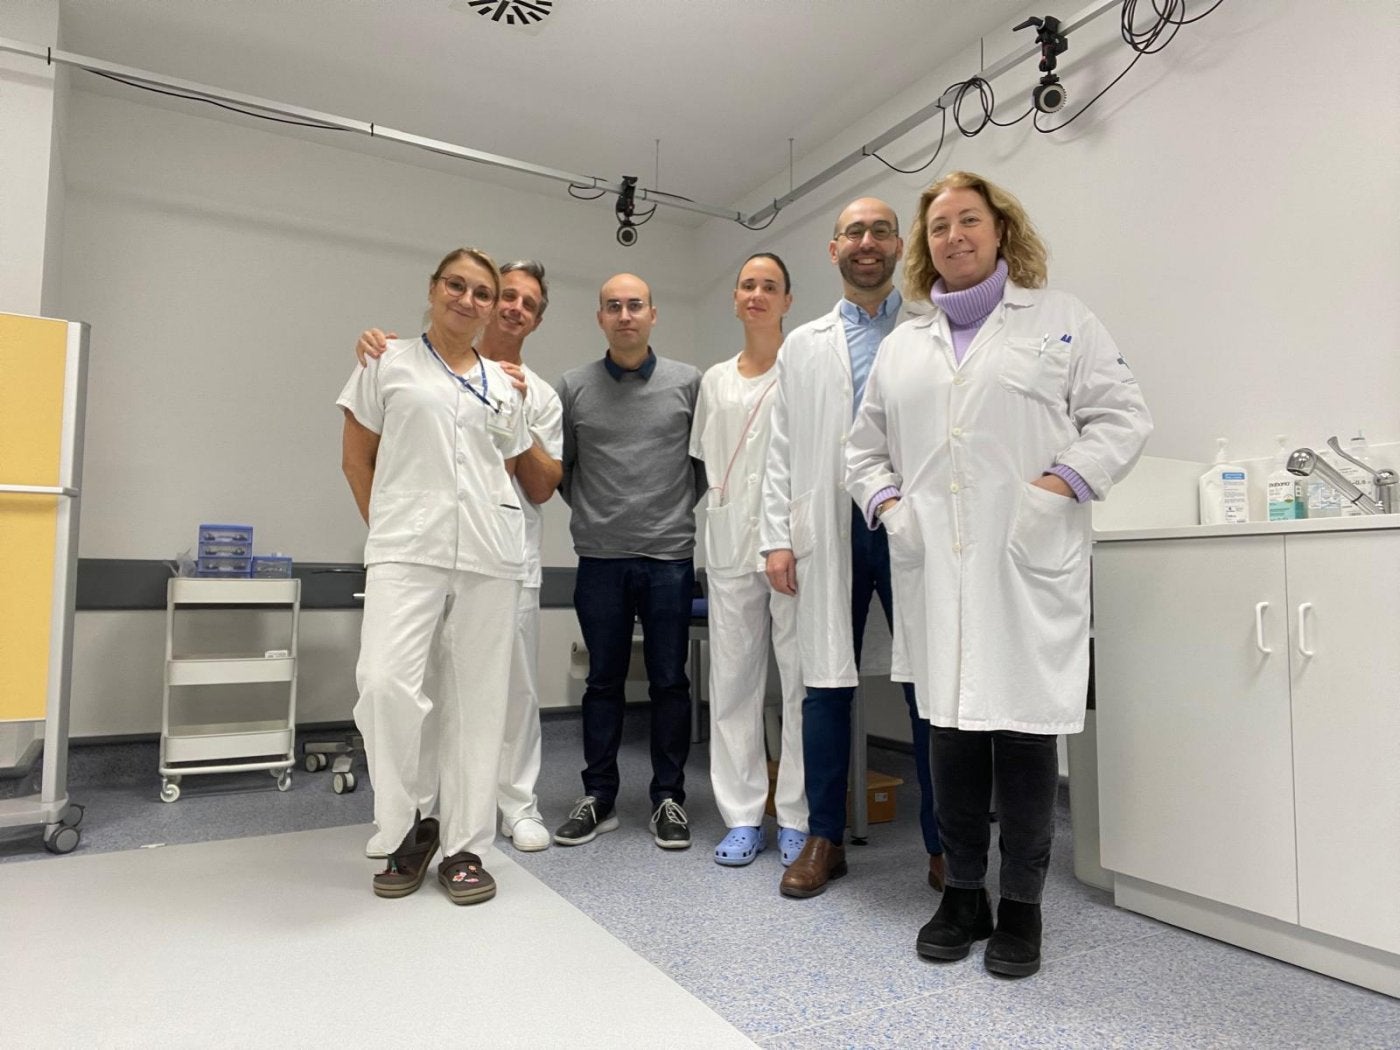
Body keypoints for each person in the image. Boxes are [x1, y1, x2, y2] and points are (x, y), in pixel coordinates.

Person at [845, 171, 1152, 976]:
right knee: (949, 733)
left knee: (1021, 738)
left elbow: (1123, 416)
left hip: (1025, 562)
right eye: (939, 225)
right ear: (927, 246)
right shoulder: (905, 344)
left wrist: (1060, 488)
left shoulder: (1060, 320)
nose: (953, 236)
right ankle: (963, 894)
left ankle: (1022, 907)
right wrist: (891, 507)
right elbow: (862, 448)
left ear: (1000, 230)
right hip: (936, 567)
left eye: (969, 220)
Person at [760, 198, 944, 899]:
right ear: (833, 248)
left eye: (879, 232)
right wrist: (776, 538)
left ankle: (942, 842)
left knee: (930, 683)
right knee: (823, 685)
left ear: (899, 246)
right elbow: (781, 448)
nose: (866, 243)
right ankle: (824, 837)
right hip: (828, 528)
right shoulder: (802, 345)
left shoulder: (929, 329)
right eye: (853, 233)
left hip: (910, 525)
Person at [338, 247, 530, 904]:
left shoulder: (504, 383)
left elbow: (508, 461)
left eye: (482, 293)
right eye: (457, 285)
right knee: (385, 684)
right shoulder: (384, 360)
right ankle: (405, 825)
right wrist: (388, 530)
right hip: (404, 551)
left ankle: (466, 846)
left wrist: (520, 399)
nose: (468, 300)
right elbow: (356, 459)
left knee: (477, 704)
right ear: (432, 288)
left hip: (487, 552)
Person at [553, 273, 705, 850]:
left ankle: (669, 798)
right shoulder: (573, 386)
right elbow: (563, 470)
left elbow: (703, 466)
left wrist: (663, 515)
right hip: (600, 558)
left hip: (669, 556)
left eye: (635, 305)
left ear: (653, 313)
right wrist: (600, 515)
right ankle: (599, 797)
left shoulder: (688, 383)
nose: (625, 315)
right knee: (603, 682)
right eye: (613, 306)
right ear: (600, 318)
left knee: (670, 681)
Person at [690, 253, 807, 868]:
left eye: (770, 286)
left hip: (792, 549)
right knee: (733, 684)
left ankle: (795, 814)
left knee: (797, 684)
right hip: (732, 547)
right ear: (735, 300)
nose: (757, 294)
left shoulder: (804, 367)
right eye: (748, 285)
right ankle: (741, 816)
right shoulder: (714, 381)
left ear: (788, 300)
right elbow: (708, 464)